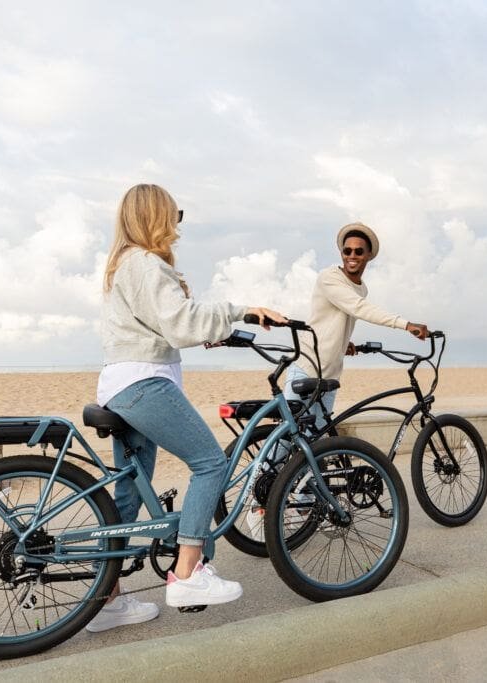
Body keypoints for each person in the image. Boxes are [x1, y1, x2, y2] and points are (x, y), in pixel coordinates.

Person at [85, 183, 286, 633]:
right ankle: (190, 572)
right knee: (211, 464)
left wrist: (209, 328)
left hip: (121, 384)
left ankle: (107, 599)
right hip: (144, 384)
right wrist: (244, 311)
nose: (178, 223)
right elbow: (180, 322)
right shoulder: (146, 263)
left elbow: (166, 323)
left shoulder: (126, 265)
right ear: (157, 215)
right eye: (175, 214)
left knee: (129, 493)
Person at [284, 222, 428, 427]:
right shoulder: (329, 277)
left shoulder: (361, 288)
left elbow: (340, 315)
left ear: (369, 255)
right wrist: (405, 325)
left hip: (330, 374)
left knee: (316, 440)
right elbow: (359, 308)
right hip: (307, 367)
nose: (352, 255)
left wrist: (343, 342)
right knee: (289, 438)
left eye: (359, 251)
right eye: (347, 250)